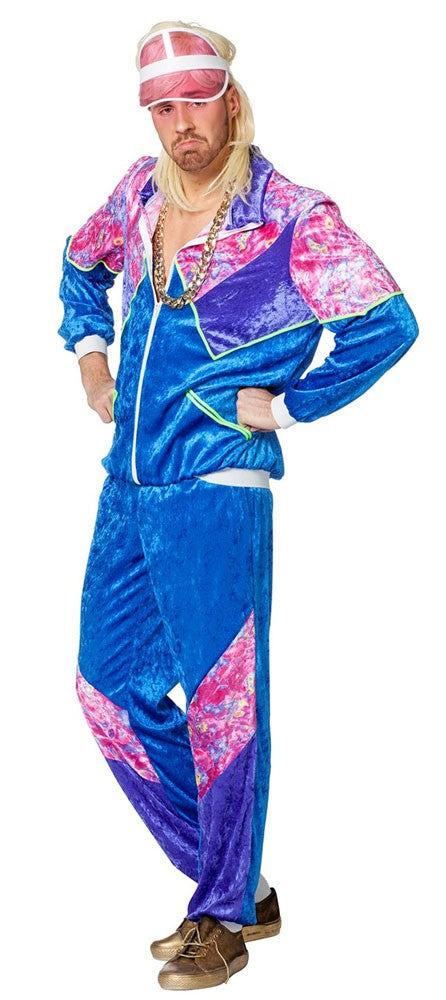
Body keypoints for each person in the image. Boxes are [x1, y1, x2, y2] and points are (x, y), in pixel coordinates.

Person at [57, 19, 419, 991]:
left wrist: (289, 404)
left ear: (230, 101)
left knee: (222, 705)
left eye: (196, 102)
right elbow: (81, 263)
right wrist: (90, 356)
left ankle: (220, 914)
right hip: (127, 486)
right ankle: (240, 883)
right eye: (162, 108)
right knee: (106, 692)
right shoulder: (136, 195)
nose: (181, 125)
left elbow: (386, 324)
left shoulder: (289, 217)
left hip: (216, 489)